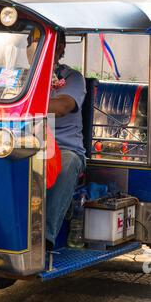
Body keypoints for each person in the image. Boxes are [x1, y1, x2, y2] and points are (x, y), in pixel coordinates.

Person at [46, 31, 87, 248]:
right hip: (26, 143)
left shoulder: (72, 78)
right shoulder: (21, 77)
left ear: (60, 47)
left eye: (41, 39)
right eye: (30, 40)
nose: (34, 45)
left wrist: (23, 102)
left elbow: (62, 106)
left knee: (68, 162)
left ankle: (44, 238)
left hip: (63, 148)